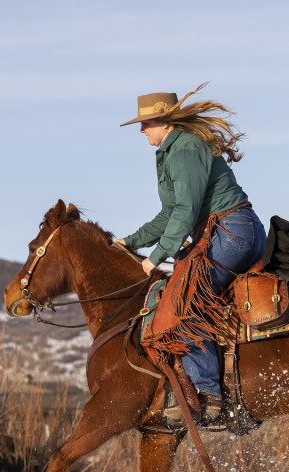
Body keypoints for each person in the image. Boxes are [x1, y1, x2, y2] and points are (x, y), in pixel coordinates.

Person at [115, 84, 266, 426]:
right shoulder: (175, 150)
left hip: (231, 231)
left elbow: (184, 212)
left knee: (185, 304)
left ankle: (211, 397)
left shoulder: (183, 150)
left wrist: (155, 257)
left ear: (166, 123)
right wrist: (130, 241)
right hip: (230, 229)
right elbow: (170, 214)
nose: (142, 130)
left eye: (147, 123)